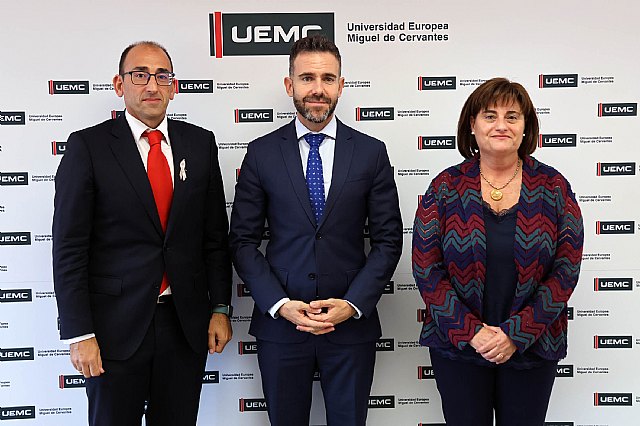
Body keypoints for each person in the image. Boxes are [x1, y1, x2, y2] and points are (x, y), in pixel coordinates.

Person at [52, 41, 233, 426]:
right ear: (120, 84)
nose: (152, 85)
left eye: (162, 76)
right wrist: (79, 333)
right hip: (113, 330)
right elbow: (69, 247)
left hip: (184, 326)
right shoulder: (89, 146)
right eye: (140, 75)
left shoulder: (200, 144)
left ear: (174, 86)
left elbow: (215, 237)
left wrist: (220, 307)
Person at [229, 35, 403, 426]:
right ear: (289, 84)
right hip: (281, 326)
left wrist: (352, 304)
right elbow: (242, 241)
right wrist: (280, 304)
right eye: (307, 78)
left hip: (350, 327)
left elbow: (388, 240)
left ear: (341, 85)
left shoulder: (371, 152)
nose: (318, 89)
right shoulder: (261, 152)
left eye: (327, 78)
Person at [412, 77, 584, 426]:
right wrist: (471, 332)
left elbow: (566, 270)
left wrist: (516, 334)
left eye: (512, 116)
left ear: (526, 126)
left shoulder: (554, 187)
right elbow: (426, 269)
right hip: (459, 348)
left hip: (533, 347)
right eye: (490, 116)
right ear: (472, 125)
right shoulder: (445, 187)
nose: (501, 125)